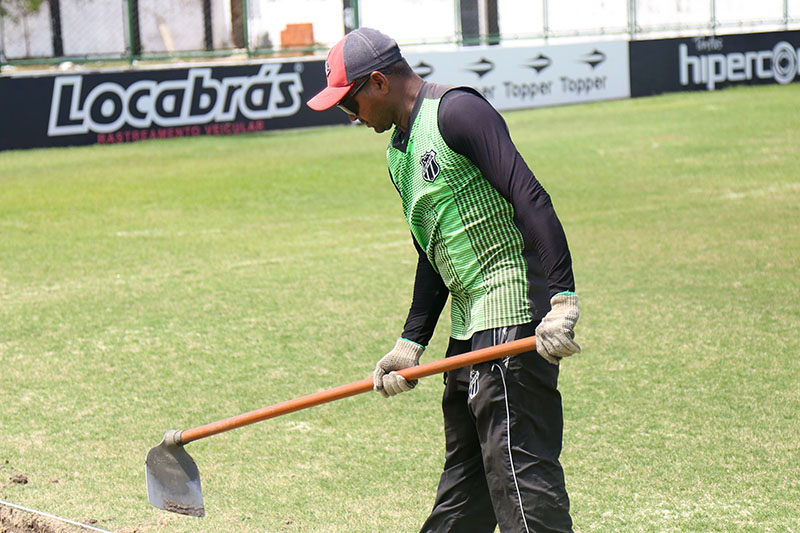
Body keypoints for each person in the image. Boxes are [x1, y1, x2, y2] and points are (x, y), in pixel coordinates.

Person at [307, 28, 580, 533]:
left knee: (520, 478)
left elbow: (530, 196)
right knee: (465, 487)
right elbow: (430, 253)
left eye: (350, 102)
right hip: (468, 326)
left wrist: (561, 298)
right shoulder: (398, 154)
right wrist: (409, 342)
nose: (350, 116)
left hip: (511, 316)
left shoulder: (457, 112)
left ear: (377, 83)